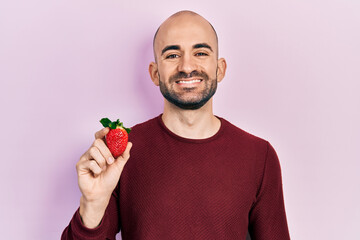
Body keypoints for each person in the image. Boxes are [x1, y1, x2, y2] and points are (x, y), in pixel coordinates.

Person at [62, 10, 290, 240]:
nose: (187, 66)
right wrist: (92, 203)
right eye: (172, 55)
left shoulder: (260, 156)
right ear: (155, 74)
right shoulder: (121, 154)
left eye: (200, 52)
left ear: (220, 69)